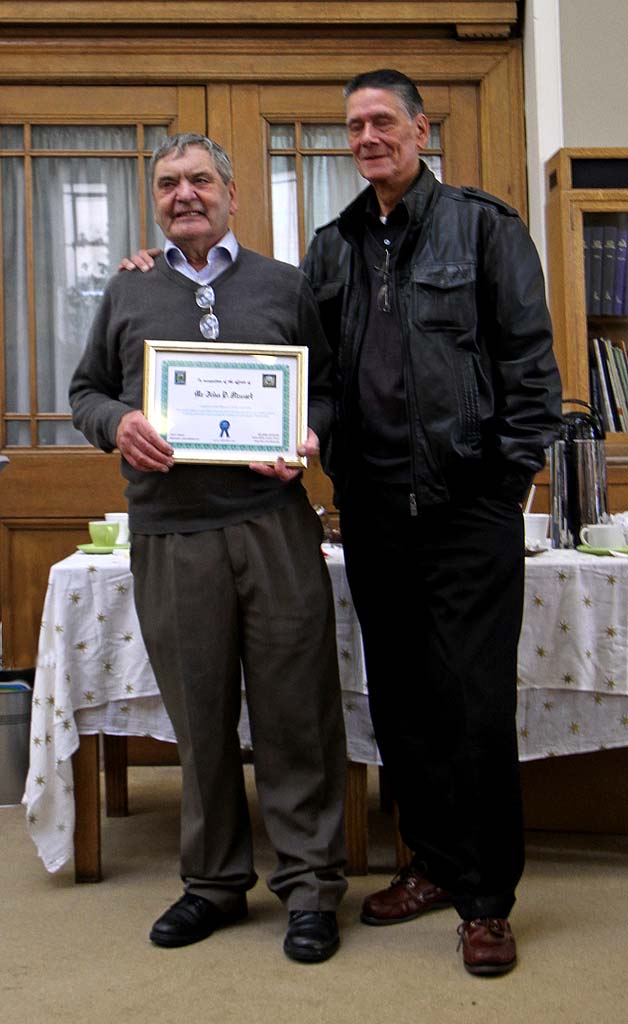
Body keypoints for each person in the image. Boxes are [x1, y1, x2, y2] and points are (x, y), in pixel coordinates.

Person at [120, 70, 563, 976]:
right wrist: (154, 273)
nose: (367, 137)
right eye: (354, 126)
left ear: (420, 129)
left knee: (474, 705)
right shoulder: (333, 246)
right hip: (371, 511)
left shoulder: (487, 227)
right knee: (400, 702)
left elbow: (530, 368)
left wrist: (501, 485)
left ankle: (486, 900)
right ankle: (432, 866)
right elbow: (305, 373)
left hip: (465, 509)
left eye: (383, 122)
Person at [69, 133, 347, 964]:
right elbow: (85, 391)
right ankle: (215, 884)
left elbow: (327, 388)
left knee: (298, 712)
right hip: (170, 536)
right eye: (167, 184)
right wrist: (116, 423)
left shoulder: (286, 286)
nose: (183, 195)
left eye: (198, 180)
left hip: (275, 529)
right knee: (200, 720)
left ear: (231, 192)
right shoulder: (128, 291)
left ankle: (310, 887)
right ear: (154, 200)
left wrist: (306, 431)